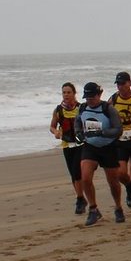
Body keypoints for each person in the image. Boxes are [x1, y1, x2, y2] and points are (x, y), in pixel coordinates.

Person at [76, 82, 125, 226]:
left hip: (108, 147)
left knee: (113, 182)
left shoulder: (108, 109)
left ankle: (118, 207)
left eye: (92, 97)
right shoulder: (83, 107)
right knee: (85, 177)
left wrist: (102, 132)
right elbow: (77, 122)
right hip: (90, 147)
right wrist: (78, 133)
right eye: (87, 97)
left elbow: (118, 130)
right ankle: (93, 209)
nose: (90, 100)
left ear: (99, 95)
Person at [109, 72, 131, 215]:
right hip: (120, 140)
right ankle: (130, 188)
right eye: (118, 84)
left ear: (130, 83)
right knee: (120, 173)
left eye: (123, 83)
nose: (120, 86)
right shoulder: (113, 99)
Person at [50, 82, 86, 214]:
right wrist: (56, 132)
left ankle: (80, 199)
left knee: (77, 172)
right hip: (67, 145)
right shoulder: (59, 110)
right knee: (73, 173)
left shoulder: (81, 108)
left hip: (81, 145)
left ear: (74, 93)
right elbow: (52, 126)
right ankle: (80, 198)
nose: (66, 95)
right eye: (64, 92)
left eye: (68, 92)